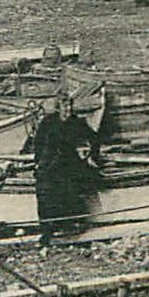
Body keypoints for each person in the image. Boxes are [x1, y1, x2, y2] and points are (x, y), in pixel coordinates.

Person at [31, 94, 100, 245]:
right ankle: (47, 230)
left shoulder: (76, 122)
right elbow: (37, 143)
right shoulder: (48, 123)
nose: (68, 110)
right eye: (65, 107)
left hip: (69, 163)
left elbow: (94, 138)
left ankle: (70, 226)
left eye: (70, 106)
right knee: (45, 194)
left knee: (71, 188)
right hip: (49, 164)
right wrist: (38, 162)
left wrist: (92, 157)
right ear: (58, 108)